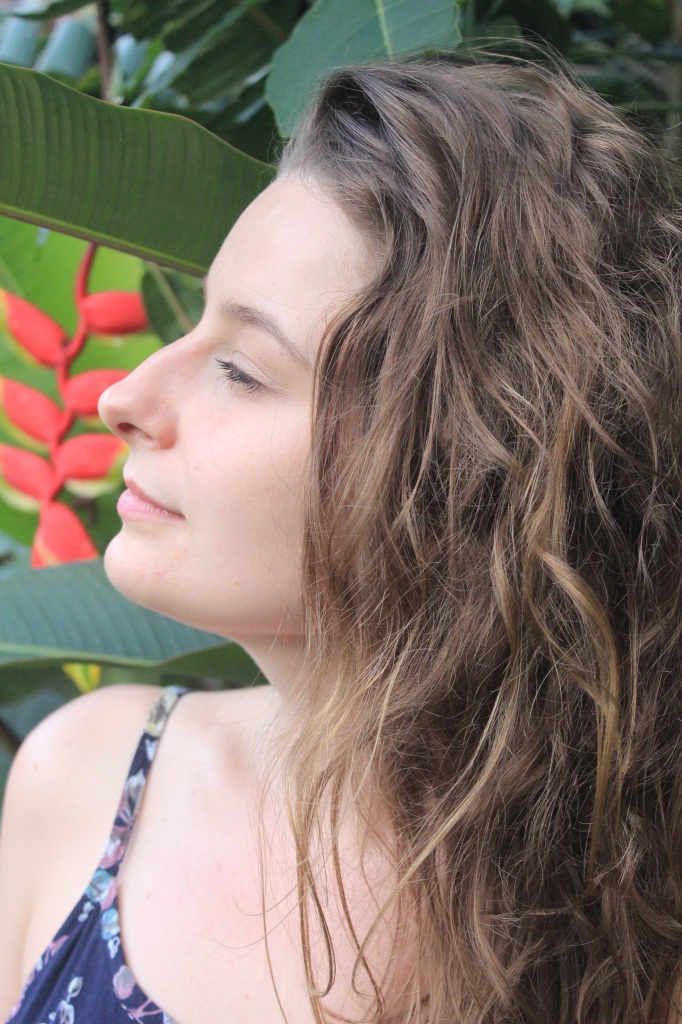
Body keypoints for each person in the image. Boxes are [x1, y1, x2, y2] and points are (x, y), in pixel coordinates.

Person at [1, 48, 682, 1024]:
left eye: (241, 369)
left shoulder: (632, 918)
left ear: (458, 464)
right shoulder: (83, 779)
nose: (124, 397)